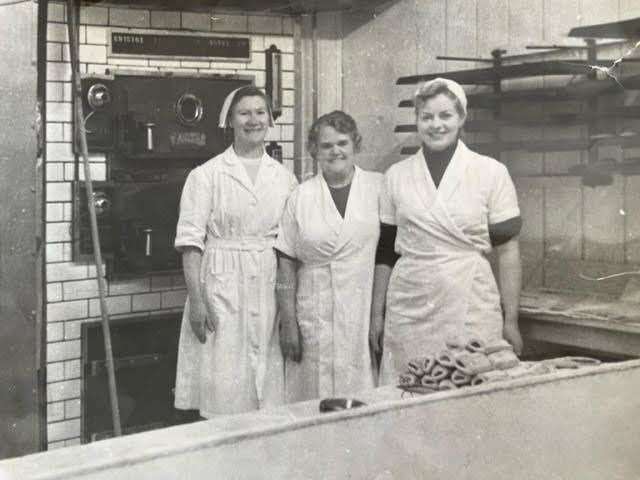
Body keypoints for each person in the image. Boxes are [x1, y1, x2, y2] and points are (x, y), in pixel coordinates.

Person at [370, 78, 523, 385]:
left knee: (471, 391)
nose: (435, 125)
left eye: (445, 116)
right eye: (426, 117)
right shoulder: (396, 176)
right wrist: (377, 315)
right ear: (417, 121)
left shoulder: (490, 172)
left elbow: (508, 252)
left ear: (461, 119)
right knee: (409, 391)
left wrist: (511, 320)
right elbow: (385, 251)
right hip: (411, 303)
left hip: (470, 297)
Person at [173, 86, 297, 417]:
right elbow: (190, 243)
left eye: (260, 112)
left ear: (270, 119)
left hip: (267, 284)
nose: (253, 120)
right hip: (220, 286)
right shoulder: (206, 175)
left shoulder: (285, 178)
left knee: (266, 388)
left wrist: (288, 307)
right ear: (230, 120)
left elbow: (288, 250)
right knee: (225, 384)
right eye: (244, 113)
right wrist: (197, 301)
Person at [276, 111, 382, 402]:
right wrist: (288, 320)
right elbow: (285, 264)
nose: (335, 151)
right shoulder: (301, 196)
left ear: (355, 145)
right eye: (326, 146)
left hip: (361, 306)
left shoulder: (378, 188)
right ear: (314, 151)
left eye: (342, 143)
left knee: (361, 395)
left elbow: (389, 254)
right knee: (310, 399)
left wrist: (379, 314)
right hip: (313, 310)